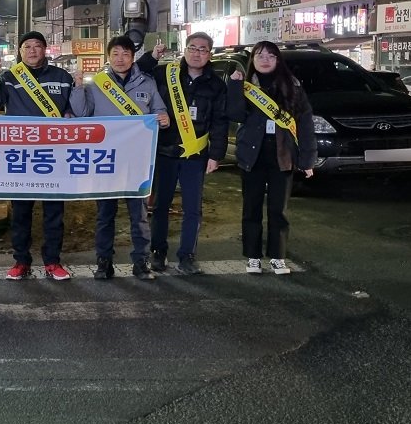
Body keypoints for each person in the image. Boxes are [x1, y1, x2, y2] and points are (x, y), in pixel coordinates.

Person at [71, 35, 170, 281]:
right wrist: (78, 87)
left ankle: (141, 261)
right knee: (105, 215)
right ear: (108, 57)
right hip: (106, 160)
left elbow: (159, 111)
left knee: (139, 215)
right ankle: (104, 262)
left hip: (137, 161)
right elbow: (82, 115)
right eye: (115, 54)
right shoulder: (96, 84)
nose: (120, 59)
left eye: (125, 54)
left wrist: (163, 118)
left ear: (133, 56)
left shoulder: (146, 83)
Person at [0, 30, 75, 281]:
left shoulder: (63, 77)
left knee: (54, 212)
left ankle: (53, 261)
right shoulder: (10, 77)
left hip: (54, 156)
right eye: (27, 47)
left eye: (37, 46)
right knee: (21, 212)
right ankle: (21, 260)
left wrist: (70, 113)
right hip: (20, 156)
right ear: (20, 52)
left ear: (45, 49)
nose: (32, 50)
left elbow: (74, 109)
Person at [136, 33, 228, 275]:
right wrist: (152, 56)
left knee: (193, 208)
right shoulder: (165, 73)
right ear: (185, 50)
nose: (197, 53)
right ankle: (158, 252)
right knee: (160, 205)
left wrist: (215, 155)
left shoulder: (216, 84)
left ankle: (187, 256)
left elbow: (219, 122)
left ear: (210, 54)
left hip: (195, 155)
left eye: (203, 49)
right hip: (165, 152)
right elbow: (138, 72)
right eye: (193, 48)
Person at [227, 41, 316, 275]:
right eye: (259, 55)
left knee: (279, 209)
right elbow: (234, 114)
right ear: (252, 61)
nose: (265, 59)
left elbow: (305, 125)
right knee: (251, 208)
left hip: (282, 155)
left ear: (278, 60)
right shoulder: (245, 87)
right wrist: (234, 86)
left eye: (270, 55)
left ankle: (278, 256)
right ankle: (253, 256)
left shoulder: (293, 87)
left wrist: (308, 159)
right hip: (252, 156)